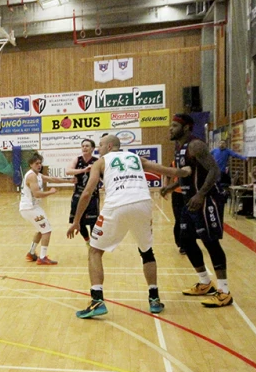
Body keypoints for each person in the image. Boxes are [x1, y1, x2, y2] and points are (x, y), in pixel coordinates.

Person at [68, 135, 190, 318]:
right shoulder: (135, 158)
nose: (97, 149)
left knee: (94, 251)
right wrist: (185, 172)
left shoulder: (100, 162)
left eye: (100, 145)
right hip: (143, 203)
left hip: (117, 204)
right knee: (147, 252)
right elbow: (164, 170)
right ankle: (154, 298)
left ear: (109, 146)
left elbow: (86, 193)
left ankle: (96, 301)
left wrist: (76, 221)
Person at [170, 113, 234, 308]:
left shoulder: (195, 144)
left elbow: (214, 171)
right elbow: (187, 173)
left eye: (174, 126)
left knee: (210, 242)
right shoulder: (179, 146)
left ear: (187, 127)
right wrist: (171, 187)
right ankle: (206, 283)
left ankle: (224, 291)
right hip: (189, 200)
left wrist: (201, 195)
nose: (170, 129)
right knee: (186, 240)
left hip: (206, 200)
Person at [20, 152, 70, 265]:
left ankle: (31, 253)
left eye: (40, 163)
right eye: (37, 163)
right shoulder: (32, 176)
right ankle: (42, 257)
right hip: (29, 208)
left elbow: (51, 179)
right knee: (47, 230)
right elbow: (37, 194)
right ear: (31, 165)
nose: (39, 165)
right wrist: (51, 192)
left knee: (40, 230)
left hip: (33, 207)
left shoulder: (38, 174)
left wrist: (69, 181)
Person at [66, 138, 99, 244]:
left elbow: (104, 175)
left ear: (92, 148)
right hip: (78, 194)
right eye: (83, 146)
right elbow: (68, 171)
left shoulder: (97, 161)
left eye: (87, 146)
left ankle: (94, 242)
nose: (84, 148)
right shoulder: (77, 159)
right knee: (79, 221)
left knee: (94, 222)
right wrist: (83, 170)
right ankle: (88, 242)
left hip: (92, 196)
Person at [159, 161, 186, 254]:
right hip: (177, 195)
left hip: (190, 194)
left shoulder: (192, 162)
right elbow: (167, 176)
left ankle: (187, 243)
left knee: (188, 220)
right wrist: (165, 188)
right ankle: (181, 244)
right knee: (179, 219)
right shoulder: (174, 163)